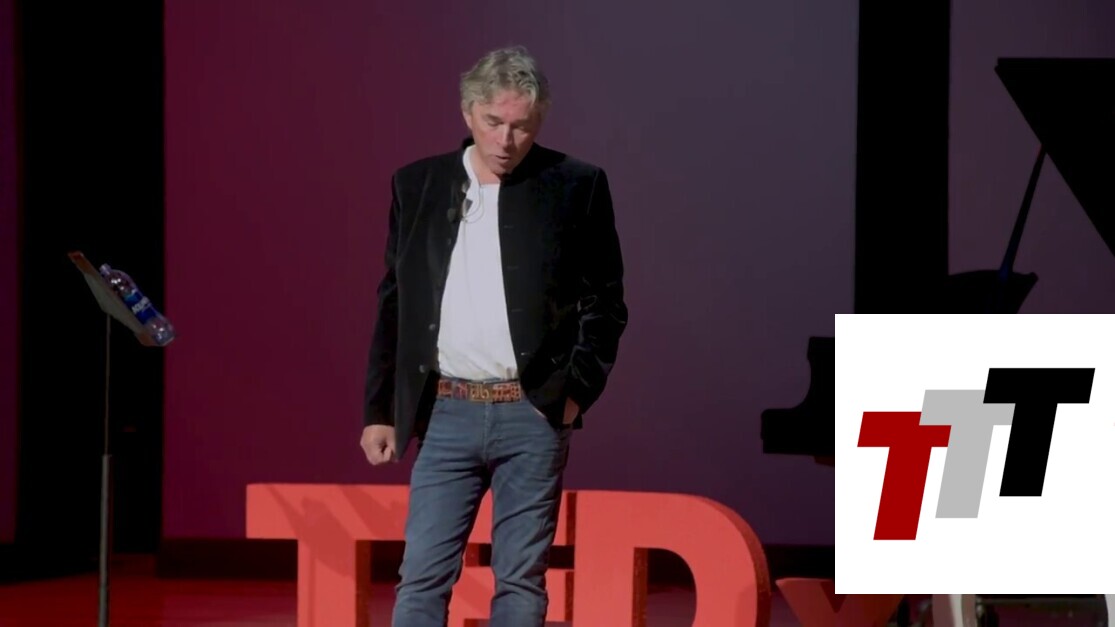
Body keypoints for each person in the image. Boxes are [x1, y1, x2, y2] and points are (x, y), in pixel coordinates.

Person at [359, 45, 628, 626]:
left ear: (539, 121)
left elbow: (605, 302)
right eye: (493, 122)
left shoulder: (574, 185)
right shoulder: (419, 184)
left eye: (521, 126)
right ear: (467, 113)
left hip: (532, 411)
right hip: (445, 411)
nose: (506, 140)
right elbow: (395, 301)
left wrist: (575, 391)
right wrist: (380, 409)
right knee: (421, 575)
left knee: (520, 579)